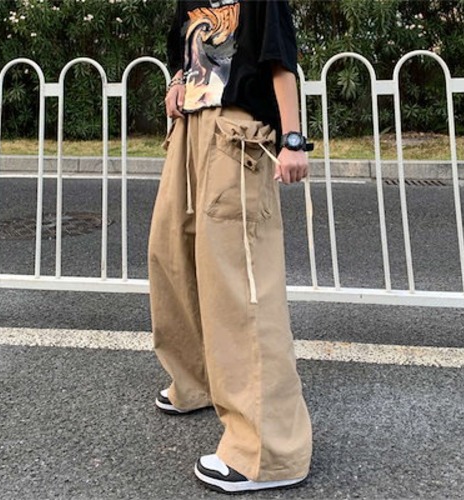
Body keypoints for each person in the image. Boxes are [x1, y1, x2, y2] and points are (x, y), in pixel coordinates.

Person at [148, 0, 312, 493]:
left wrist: (292, 138)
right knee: (172, 255)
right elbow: (185, 48)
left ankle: (269, 451)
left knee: (242, 285)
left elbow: (280, 60)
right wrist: (177, 83)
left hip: (237, 133)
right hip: (191, 129)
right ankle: (197, 380)